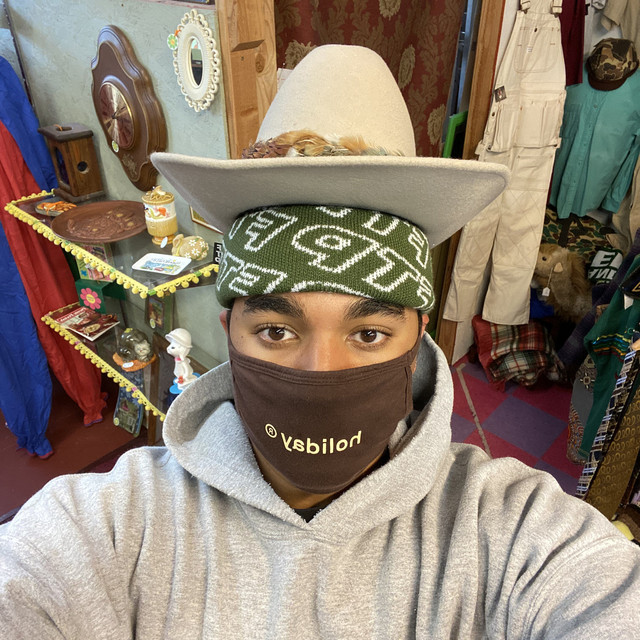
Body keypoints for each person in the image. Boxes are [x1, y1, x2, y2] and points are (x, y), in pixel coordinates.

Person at [1, 45, 639, 639]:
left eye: (369, 333)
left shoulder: (506, 531)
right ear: (229, 335)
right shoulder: (116, 527)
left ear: (417, 341)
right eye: (276, 330)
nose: (321, 372)